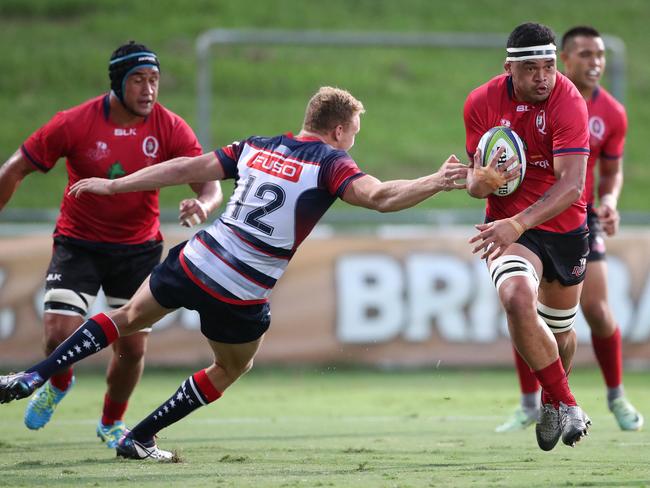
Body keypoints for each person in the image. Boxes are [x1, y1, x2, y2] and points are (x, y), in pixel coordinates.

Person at [0, 86, 470, 461]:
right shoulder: (332, 162)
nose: (354, 142)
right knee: (232, 366)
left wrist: (115, 183)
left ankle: (32, 376)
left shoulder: (256, 146)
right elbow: (381, 197)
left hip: (197, 257)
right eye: (355, 133)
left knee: (127, 319)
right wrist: (437, 180)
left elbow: (187, 166)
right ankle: (140, 436)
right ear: (340, 130)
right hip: (241, 288)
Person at [0, 41, 222, 448]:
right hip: (78, 243)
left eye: (154, 80)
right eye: (138, 79)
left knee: (132, 350)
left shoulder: (170, 126)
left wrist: (203, 205)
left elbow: (210, 183)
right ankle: (58, 382)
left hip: (137, 249)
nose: (149, 89)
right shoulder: (74, 122)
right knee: (58, 335)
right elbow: (15, 168)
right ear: (118, 82)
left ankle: (110, 423)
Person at [495, 26, 643, 433]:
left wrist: (610, 203)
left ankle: (615, 397)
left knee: (593, 311)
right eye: (585, 54)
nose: (595, 62)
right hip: (527, 217)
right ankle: (534, 404)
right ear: (567, 58)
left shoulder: (610, 112)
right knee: (520, 302)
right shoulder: (524, 99)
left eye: (600, 55)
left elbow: (610, 173)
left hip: (580, 216)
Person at [464, 22, 592, 451]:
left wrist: (519, 221)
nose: (543, 77)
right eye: (532, 68)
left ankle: (551, 401)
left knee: (559, 334)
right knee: (517, 299)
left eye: (549, 66)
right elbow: (476, 183)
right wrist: (480, 183)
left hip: (563, 227)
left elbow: (572, 186)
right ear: (509, 69)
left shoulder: (568, 101)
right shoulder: (481, 102)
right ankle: (569, 403)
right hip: (509, 231)